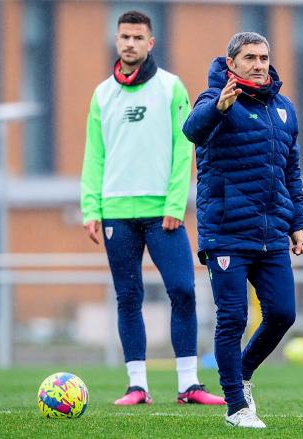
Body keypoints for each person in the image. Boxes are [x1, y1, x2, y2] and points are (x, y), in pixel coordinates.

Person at [80, 10, 224, 407]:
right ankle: (137, 386)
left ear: (150, 43)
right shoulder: (101, 94)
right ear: (117, 40)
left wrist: (176, 202)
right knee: (128, 296)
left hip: (163, 212)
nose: (129, 43)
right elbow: (94, 156)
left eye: (137, 37)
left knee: (183, 290)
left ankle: (189, 385)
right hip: (115, 212)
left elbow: (184, 148)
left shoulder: (171, 88)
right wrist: (90, 207)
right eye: (123, 36)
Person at [182, 32, 303, 428]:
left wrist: (298, 225)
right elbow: (192, 130)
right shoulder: (214, 99)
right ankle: (237, 407)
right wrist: (220, 108)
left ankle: (241, 374)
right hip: (226, 233)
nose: (258, 63)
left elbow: (291, 172)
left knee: (283, 314)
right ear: (231, 62)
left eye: (263, 56)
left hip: (271, 233)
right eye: (250, 57)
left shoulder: (283, 109)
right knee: (233, 318)